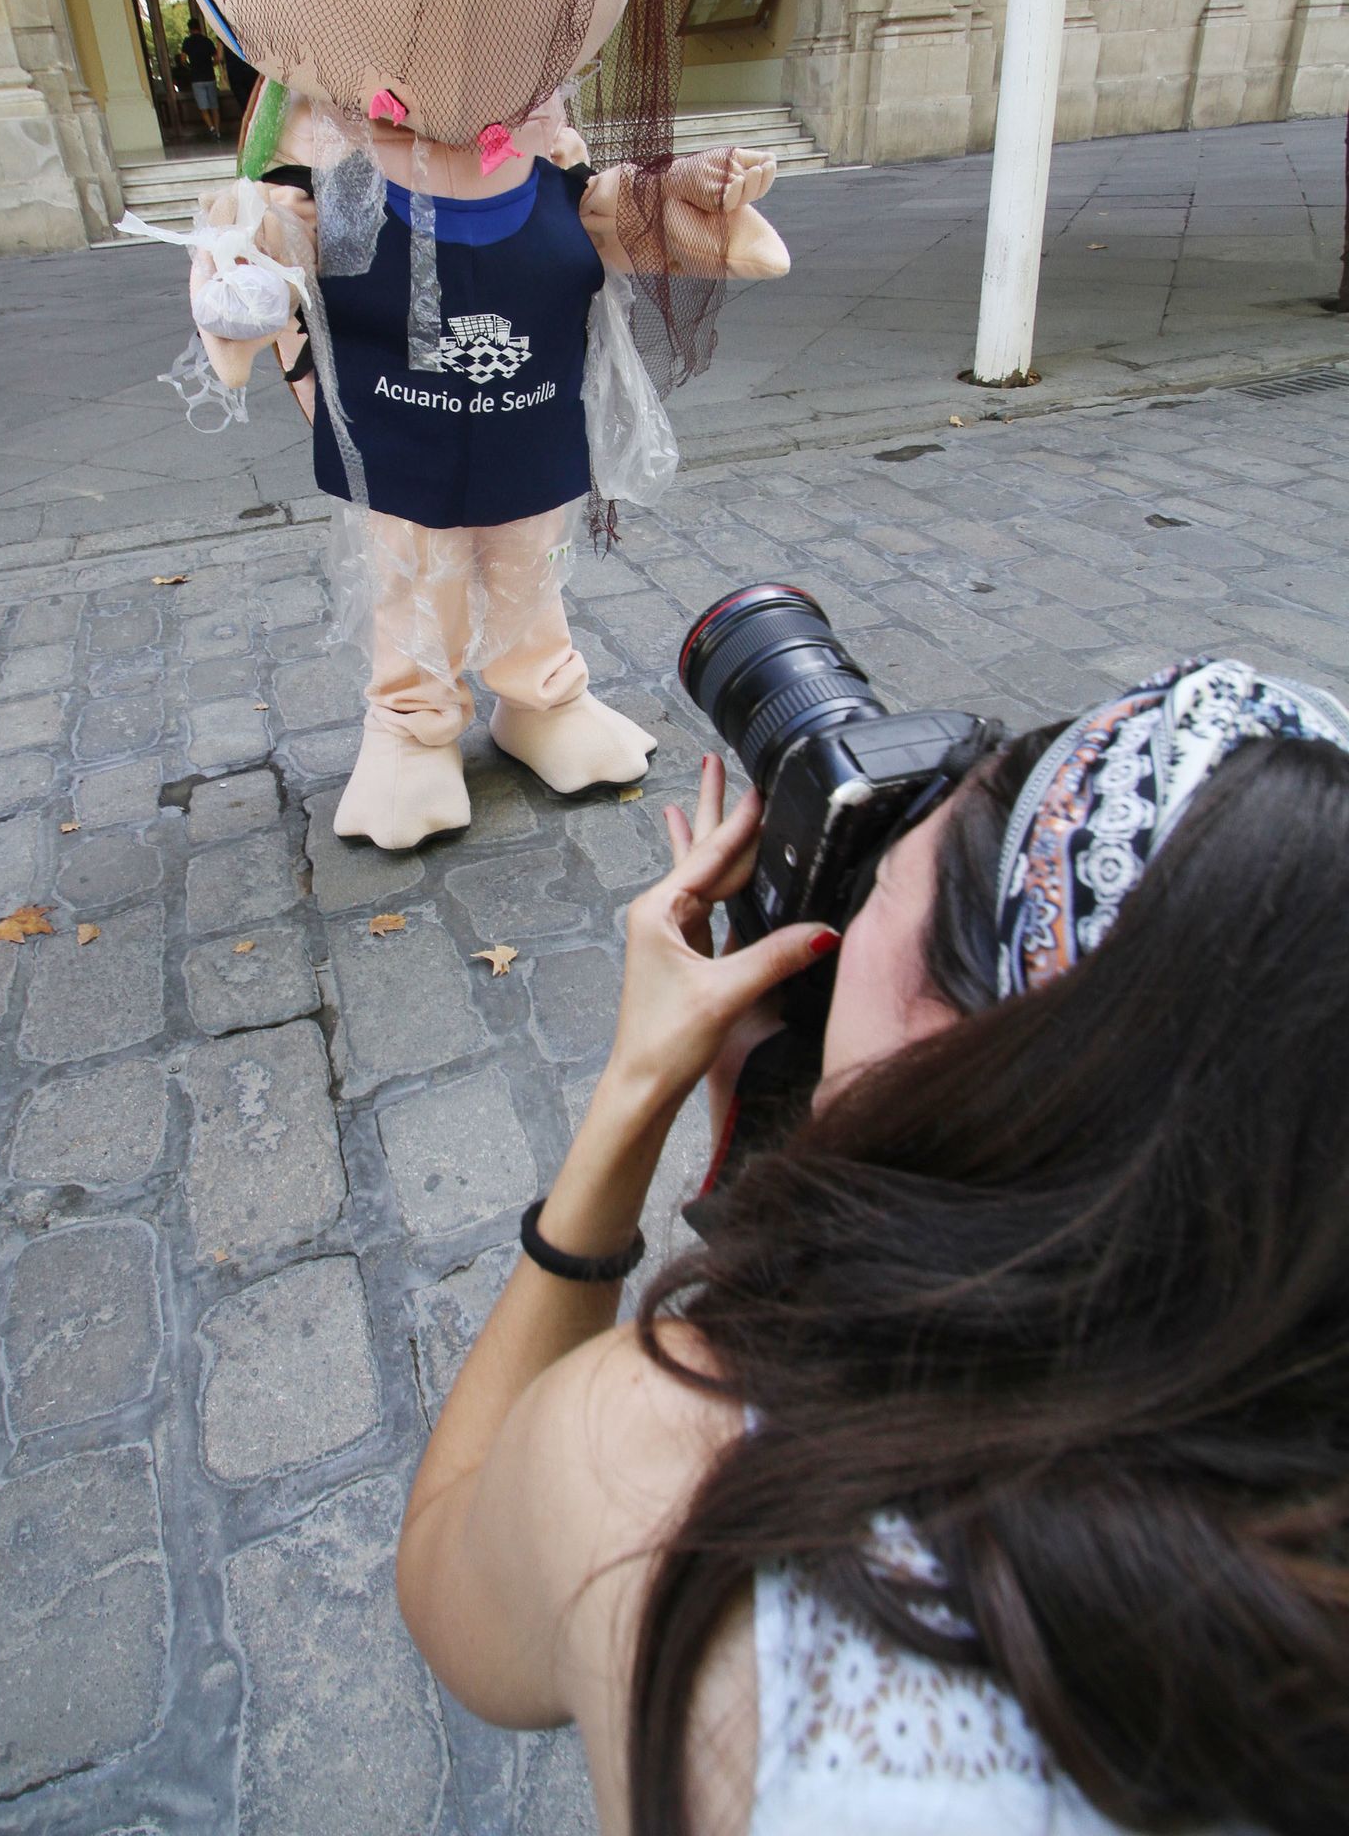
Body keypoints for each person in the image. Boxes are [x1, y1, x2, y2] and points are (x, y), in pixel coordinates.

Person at [397, 656, 1349, 1835]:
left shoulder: (666, 1462)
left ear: (941, 1041)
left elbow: (453, 1596)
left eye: (881, 887)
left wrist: (638, 1090)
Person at [179, 19, 221, 138]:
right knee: (214, 106)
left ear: (189, 29)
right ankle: (218, 131)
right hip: (210, 77)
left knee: (203, 107)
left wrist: (190, 68)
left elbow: (182, 59)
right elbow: (217, 58)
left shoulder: (187, 42)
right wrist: (211, 65)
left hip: (196, 78)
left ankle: (211, 127)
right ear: (200, 27)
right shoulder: (207, 41)